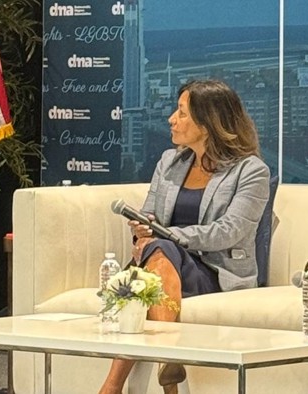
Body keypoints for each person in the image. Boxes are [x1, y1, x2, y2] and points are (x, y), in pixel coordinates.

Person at [99, 80, 270, 394]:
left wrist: (168, 236)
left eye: (181, 113)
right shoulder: (169, 162)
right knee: (155, 259)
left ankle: (113, 385)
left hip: (215, 271)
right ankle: (166, 369)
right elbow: (150, 214)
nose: (171, 119)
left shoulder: (250, 171)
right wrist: (142, 230)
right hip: (164, 263)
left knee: (152, 261)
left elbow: (230, 231)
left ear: (207, 124)